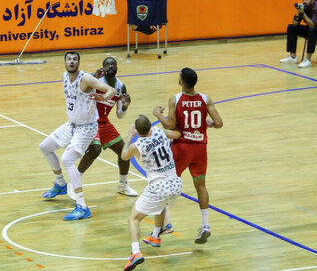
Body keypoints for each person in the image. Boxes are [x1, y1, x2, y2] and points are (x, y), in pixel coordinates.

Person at [39, 51, 115, 220]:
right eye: (69, 59)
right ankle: (60, 183)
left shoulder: (86, 79)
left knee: (67, 159)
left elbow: (111, 89)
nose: (71, 62)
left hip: (87, 127)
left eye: (75, 59)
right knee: (44, 147)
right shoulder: (64, 77)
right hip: (71, 125)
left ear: (79, 63)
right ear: (65, 62)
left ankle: (82, 206)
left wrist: (102, 98)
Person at [153, 67, 223, 244]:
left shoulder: (175, 99)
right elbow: (219, 123)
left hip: (182, 148)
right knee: (201, 186)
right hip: (200, 149)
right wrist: (209, 125)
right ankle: (205, 225)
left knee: (164, 183)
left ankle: (165, 224)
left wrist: (157, 114)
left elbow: (170, 126)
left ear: (182, 82)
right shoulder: (205, 98)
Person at [120, 115, 182, 271]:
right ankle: (155, 236)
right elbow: (177, 135)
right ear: (149, 127)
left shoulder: (137, 145)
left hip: (158, 187)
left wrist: (128, 137)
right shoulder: (159, 131)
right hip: (175, 183)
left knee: (133, 218)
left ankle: (135, 253)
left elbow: (123, 155)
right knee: (160, 205)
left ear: (138, 130)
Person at [70, 57, 137, 198]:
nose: (110, 66)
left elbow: (120, 115)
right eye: (107, 64)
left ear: (117, 68)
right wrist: (93, 75)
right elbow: (79, 87)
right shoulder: (96, 81)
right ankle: (74, 183)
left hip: (105, 123)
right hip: (90, 122)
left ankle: (123, 185)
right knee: (95, 149)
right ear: (103, 68)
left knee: (124, 151)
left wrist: (125, 106)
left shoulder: (121, 86)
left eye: (113, 64)